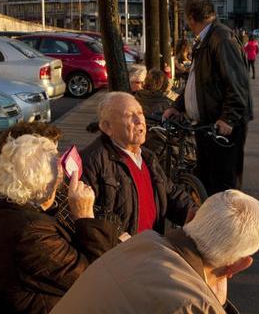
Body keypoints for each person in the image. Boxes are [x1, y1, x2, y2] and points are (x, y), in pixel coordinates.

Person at [8, 190, 259, 314]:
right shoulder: (184, 303)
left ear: (194, 221)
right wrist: (213, 305)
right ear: (238, 265)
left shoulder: (145, 244)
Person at [0, 133, 120, 314]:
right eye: (58, 181)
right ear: (41, 187)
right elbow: (94, 281)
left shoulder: (14, 211)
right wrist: (85, 217)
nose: (62, 185)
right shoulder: (29, 233)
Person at [164, 0, 253, 196]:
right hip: (208, 123)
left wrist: (228, 118)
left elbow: (238, 83)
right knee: (208, 181)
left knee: (222, 186)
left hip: (221, 126)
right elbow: (197, 84)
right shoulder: (208, 38)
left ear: (191, 18)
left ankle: (224, 226)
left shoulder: (221, 38)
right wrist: (177, 106)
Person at [82, 92, 195, 237]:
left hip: (153, 246)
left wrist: (198, 214)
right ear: (107, 127)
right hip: (121, 254)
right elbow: (88, 215)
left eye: (140, 113)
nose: (139, 120)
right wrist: (117, 236)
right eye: (129, 115)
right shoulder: (92, 161)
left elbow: (169, 193)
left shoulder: (147, 156)